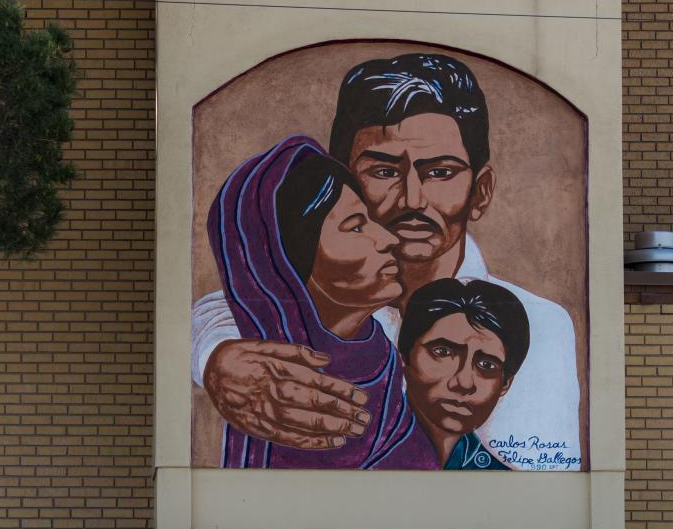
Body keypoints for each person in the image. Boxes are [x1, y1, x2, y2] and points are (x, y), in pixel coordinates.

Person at [194, 53, 581, 470]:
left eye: (440, 173)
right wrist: (217, 358)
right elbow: (228, 306)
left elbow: (542, 490)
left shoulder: (541, 327)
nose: (413, 199)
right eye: (383, 171)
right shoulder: (293, 307)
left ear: (481, 190)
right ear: (342, 181)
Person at [207, 134, 437, 470]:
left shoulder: (383, 357)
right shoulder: (268, 391)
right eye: (356, 227)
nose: (388, 239)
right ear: (289, 264)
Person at [398, 279, 529, 471]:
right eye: (442, 352)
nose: (464, 382)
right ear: (404, 357)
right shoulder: (357, 452)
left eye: (486, 365)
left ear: (505, 384)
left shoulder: (497, 479)